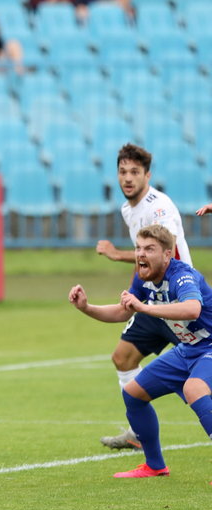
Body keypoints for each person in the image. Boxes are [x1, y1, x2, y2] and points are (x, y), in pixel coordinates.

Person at [68, 224, 212, 478]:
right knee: (133, 393)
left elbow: (192, 309)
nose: (141, 254)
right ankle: (155, 465)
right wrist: (86, 307)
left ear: (168, 255)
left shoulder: (182, 276)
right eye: (138, 248)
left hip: (209, 346)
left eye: (149, 249)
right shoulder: (143, 277)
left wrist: (144, 308)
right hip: (189, 349)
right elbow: (124, 310)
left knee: (194, 388)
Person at [95, 144, 192, 450]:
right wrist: (135, 293)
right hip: (152, 301)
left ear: (147, 175)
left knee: (196, 381)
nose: (128, 178)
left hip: (178, 301)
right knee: (123, 358)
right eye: (123, 172)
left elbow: (161, 254)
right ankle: (138, 432)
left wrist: (114, 255)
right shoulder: (128, 209)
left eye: (135, 172)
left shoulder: (158, 208)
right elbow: (145, 261)